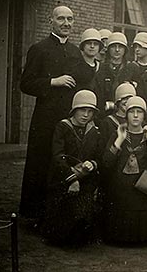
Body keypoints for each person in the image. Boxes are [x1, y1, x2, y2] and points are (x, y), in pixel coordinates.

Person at [20, 5, 81, 220]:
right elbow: (25, 84)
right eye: (61, 19)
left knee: (64, 161)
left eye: (70, 19)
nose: (66, 23)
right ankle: (35, 214)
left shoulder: (75, 51)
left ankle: (59, 213)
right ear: (51, 21)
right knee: (41, 161)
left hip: (68, 117)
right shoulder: (40, 48)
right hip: (45, 118)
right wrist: (53, 82)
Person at [41, 90, 101, 245]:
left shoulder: (93, 131)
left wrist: (92, 163)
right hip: (63, 176)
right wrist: (72, 179)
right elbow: (57, 156)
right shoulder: (63, 127)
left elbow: (97, 155)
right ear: (74, 110)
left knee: (83, 212)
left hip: (85, 178)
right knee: (61, 218)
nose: (86, 115)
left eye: (90, 112)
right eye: (82, 110)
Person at [102, 96, 147, 244]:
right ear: (126, 114)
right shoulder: (118, 134)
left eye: (139, 112)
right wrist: (120, 139)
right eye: (131, 112)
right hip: (120, 190)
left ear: (144, 116)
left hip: (141, 190)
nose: (135, 116)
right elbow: (106, 162)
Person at [92, 32, 138, 118]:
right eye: (113, 47)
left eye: (120, 47)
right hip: (105, 114)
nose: (117, 50)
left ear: (125, 50)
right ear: (108, 49)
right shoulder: (101, 68)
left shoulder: (132, 69)